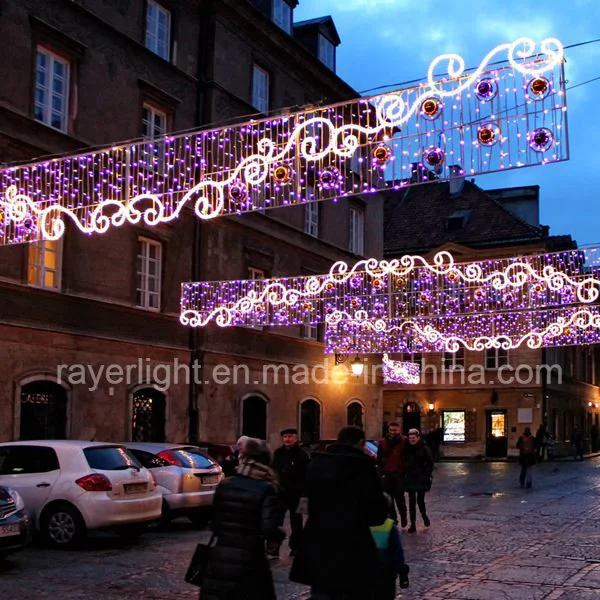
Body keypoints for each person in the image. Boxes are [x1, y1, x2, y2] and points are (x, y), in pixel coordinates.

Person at [290, 426, 388, 600]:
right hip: (353, 546)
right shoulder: (364, 467)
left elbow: (306, 502)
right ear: (360, 443)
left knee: (322, 592)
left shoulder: (316, 464)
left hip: (318, 542)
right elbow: (377, 515)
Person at [199, 438, 284, 600]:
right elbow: (269, 529)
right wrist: (280, 534)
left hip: (219, 556)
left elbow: (214, 521)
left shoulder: (225, 484)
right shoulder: (267, 488)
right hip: (250, 559)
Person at [271, 427, 310, 557]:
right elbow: (273, 471)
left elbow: (306, 475)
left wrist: (304, 492)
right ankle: (274, 548)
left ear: (296, 438)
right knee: (276, 521)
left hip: (296, 494)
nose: (287, 439)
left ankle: (296, 547)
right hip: (280, 493)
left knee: (296, 523)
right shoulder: (278, 453)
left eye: (290, 436)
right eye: (285, 437)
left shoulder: (302, 455)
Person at [370, 494, 410, 600]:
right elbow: (398, 552)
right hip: (387, 572)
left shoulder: (362, 524)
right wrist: (402, 570)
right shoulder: (389, 526)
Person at [377, 422, 408, 528]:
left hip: (399, 473)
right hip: (387, 474)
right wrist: (381, 473)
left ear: (399, 430)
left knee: (400, 498)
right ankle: (393, 518)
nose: (393, 432)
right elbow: (379, 458)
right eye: (391, 430)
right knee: (389, 498)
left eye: (395, 430)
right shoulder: (382, 442)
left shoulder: (404, 441)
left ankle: (403, 517)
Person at [403, 428, 433, 533]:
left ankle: (424, 516)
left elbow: (430, 463)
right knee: (411, 501)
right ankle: (413, 524)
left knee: (420, 500)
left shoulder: (424, 448)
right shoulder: (406, 448)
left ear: (418, 437)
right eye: (410, 438)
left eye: (413, 438)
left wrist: (426, 475)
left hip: (421, 477)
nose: (412, 440)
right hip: (410, 477)